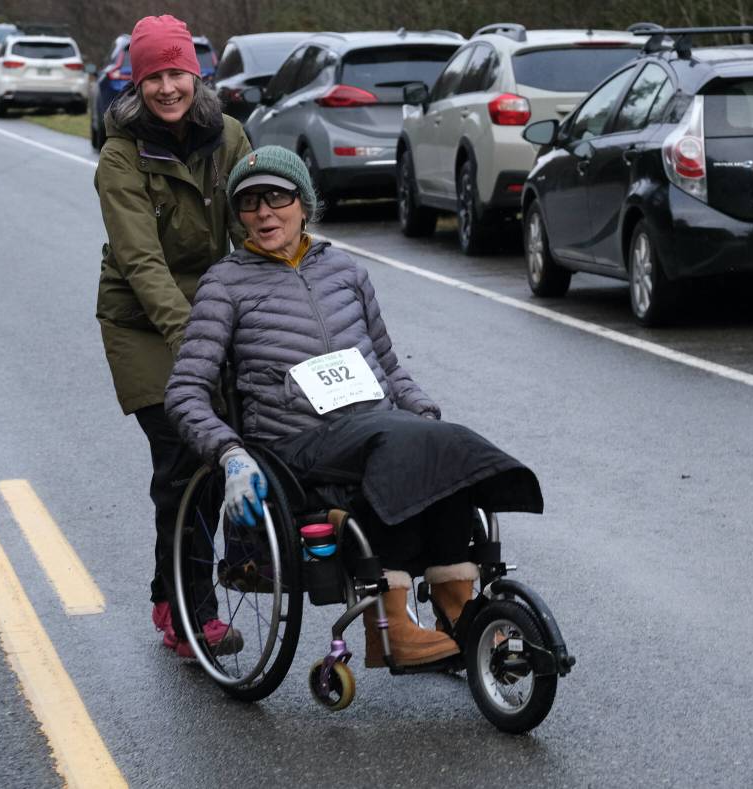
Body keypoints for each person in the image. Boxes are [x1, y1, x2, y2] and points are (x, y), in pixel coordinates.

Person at [165, 146, 544, 668]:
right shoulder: (225, 284)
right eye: (249, 202)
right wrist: (230, 455)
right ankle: (388, 628)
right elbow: (184, 391)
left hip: (374, 424)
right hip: (294, 443)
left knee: (438, 446)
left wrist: (424, 413)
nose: (264, 212)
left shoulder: (345, 270)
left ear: (304, 204)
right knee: (397, 445)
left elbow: (388, 364)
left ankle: (460, 612)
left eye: (277, 196)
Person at [94, 14, 251, 657]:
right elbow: (142, 262)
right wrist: (194, 340)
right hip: (143, 322)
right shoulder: (120, 155)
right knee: (186, 457)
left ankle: (169, 593)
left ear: (197, 74)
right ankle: (193, 616)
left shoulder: (230, 136)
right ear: (138, 82)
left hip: (211, 309)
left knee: (237, 440)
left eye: (176, 72)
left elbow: (259, 224)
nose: (166, 87)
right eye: (153, 74)